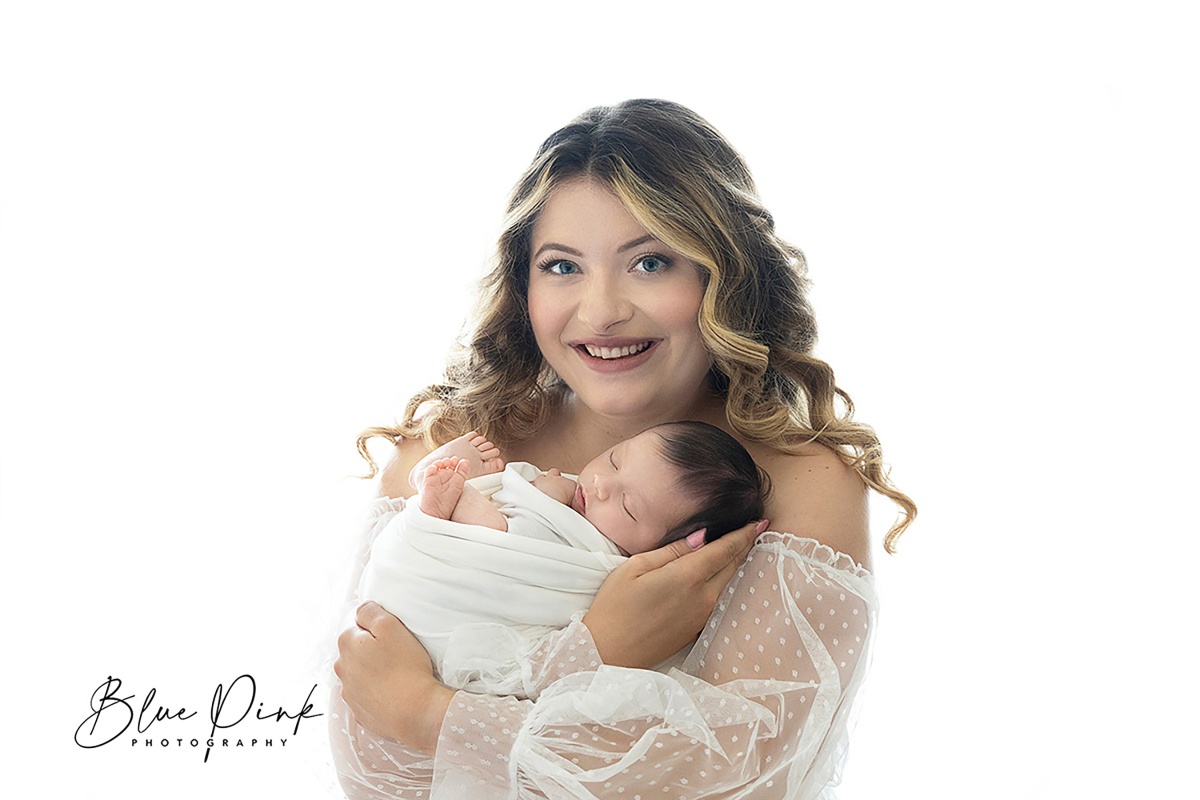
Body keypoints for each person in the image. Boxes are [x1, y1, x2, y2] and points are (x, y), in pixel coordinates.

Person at [331, 98, 915, 799]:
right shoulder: (446, 459)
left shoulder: (798, 487)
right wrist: (594, 658)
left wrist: (432, 713)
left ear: (721, 274)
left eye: (649, 262)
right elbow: (376, 767)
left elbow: (731, 778)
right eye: (561, 266)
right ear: (522, 286)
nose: (602, 310)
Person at [358, 423, 769, 696]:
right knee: (512, 502)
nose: (601, 485)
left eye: (629, 507)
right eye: (614, 459)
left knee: (507, 533)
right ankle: (445, 498)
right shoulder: (581, 493)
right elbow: (530, 488)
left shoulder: (612, 562)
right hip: (410, 586)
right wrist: (538, 486)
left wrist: (539, 491)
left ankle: (449, 501)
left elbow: (537, 564)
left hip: (498, 571)